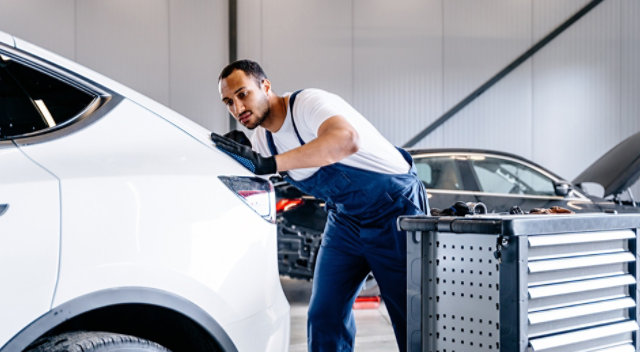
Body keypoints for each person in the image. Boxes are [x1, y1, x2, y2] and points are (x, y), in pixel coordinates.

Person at [212, 59, 428, 352]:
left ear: (265, 85)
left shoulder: (308, 104)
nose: (238, 108)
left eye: (242, 94)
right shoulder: (263, 140)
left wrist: (268, 163)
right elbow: (255, 176)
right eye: (228, 102)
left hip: (394, 210)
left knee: (410, 315)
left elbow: (346, 140)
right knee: (324, 313)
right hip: (345, 221)